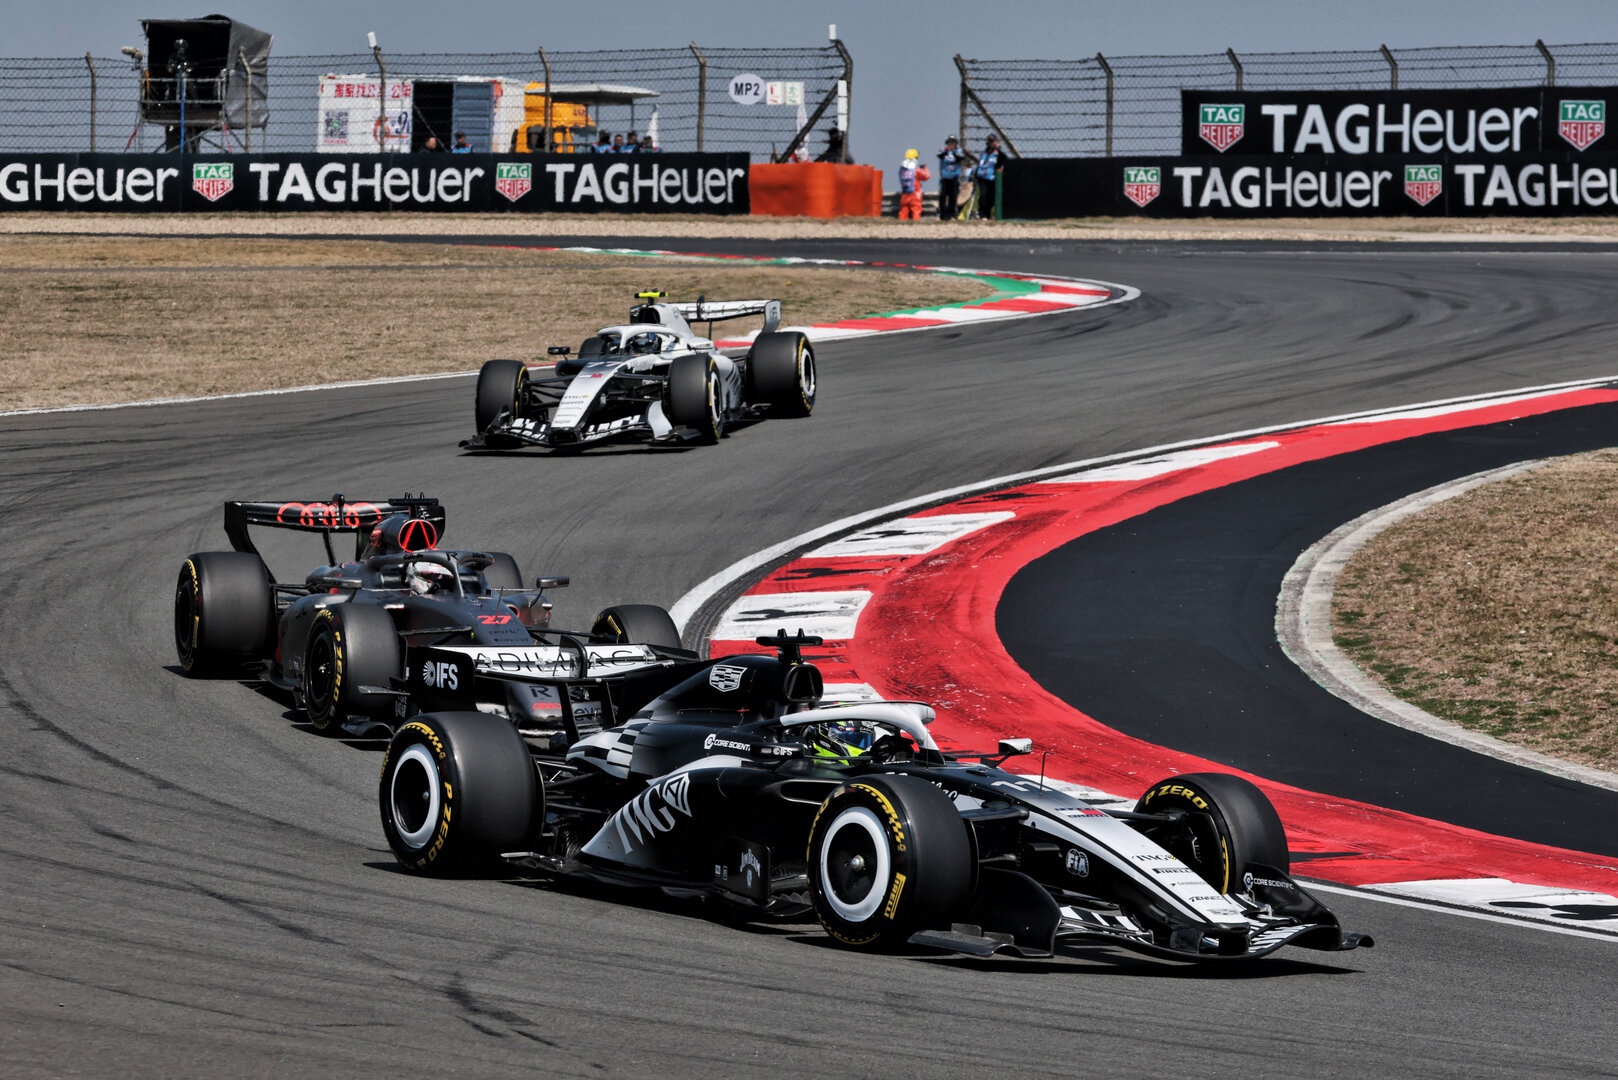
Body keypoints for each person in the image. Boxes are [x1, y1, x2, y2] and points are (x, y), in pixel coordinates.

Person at [974, 135, 1003, 219]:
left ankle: (989, 214)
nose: (991, 143)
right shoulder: (984, 153)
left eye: (993, 141)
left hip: (993, 178)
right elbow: (980, 163)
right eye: (990, 141)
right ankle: (982, 213)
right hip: (983, 177)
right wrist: (977, 173)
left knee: (991, 197)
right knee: (983, 196)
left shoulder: (998, 153)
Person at [897, 149, 930, 220]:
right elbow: (926, 176)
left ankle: (901, 224)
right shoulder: (916, 170)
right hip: (915, 193)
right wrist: (925, 169)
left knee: (904, 210)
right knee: (916, 210)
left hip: (905, 193)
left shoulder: (901, 169)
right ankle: (916, 224)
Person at [936, 135, 963, 220]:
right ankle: (943, 215)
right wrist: (946, 151)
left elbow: (960, 158)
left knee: (953, 196)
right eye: (949, 142)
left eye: (952, 142)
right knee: (943, 196)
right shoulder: (943, 150)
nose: (950, 144)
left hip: (954, 177)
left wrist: (954, 152)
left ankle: (952, 214)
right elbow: (939, 156)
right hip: (945, 177)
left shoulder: (959, 151)